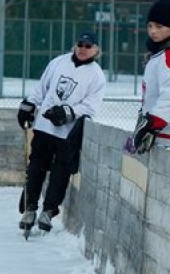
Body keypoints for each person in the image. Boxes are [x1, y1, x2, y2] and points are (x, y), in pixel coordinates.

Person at [16, 32, 106, 233]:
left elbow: (91, 107)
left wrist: (69, 112)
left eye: (88, 46)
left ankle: (48, 211)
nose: (83, 48)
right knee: (36, 166)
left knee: (60, 172)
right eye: (80, 44)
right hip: (44, 127)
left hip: (68, 133)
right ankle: (30, 208)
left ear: (97, 50)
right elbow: (42, 88)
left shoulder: (97, 75)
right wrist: (30, 104)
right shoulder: (59, 62)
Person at [126, 0, 170, 155]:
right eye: (150, 26)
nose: (152, 31)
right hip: (165, 137)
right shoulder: (160, 56)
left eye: (159, 26)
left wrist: (151, 123)